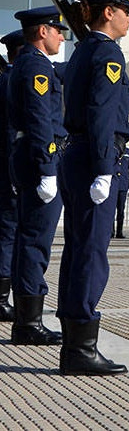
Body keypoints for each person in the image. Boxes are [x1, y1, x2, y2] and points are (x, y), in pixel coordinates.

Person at [59, 0, 129, 375]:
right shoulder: (108, 53)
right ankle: (81, 350)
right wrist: (103, 167)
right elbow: (97, 110)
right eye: (124, 10)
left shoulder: (86, 50)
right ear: (107, 13)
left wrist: (126, 129)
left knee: (79, 250)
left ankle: (75, 343)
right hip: (94, 160)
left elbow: (95, 108)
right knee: (91, 252)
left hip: (79, 153)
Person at [6, 7, 67, 345]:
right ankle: (28, 324)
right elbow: (39, 118)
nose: (61, 36)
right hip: (38, 158)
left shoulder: (29, 63)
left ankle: (25, 318)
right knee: (35, 242)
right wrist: (47, 167)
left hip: (30, 157)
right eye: (58, 30)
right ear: (42, 32)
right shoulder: (35, 66)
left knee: (28, 239)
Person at [0, 29, 25, 322]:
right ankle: (2, 298)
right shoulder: (11, 83)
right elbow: (9, 135)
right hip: (9, 171)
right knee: (9, 233)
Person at [112, 147, 129, 239]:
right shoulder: (112, 149)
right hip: (113, 185)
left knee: (121, 210)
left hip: (123, 185)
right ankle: (111, 231)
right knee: (111, 210)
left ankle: (119, 231)